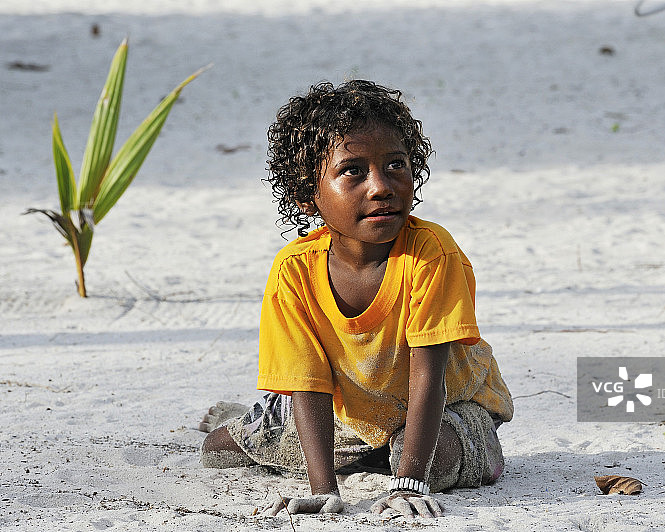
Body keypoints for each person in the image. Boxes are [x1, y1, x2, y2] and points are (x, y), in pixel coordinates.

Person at [199, 80, 513, 519]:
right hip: (350, 414)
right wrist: (324, 490)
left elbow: (429, 378)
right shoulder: (294, 271)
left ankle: (420, 450)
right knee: (217, 449)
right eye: (353, 171)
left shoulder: (431, 253)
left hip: (448, 404)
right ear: (307, 195)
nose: (381, 187)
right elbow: (308, 382)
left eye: (395, 165)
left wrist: (408, 485)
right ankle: (268, 416)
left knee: (430, 462)